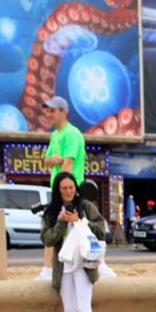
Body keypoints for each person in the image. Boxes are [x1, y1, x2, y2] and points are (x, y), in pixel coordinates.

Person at [40, 171, 106, 312]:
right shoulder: (51, 212)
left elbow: (101, 231)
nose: (68, 192)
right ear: (58, 191)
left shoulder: (85, 207)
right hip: (64, 266)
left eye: (71, 188)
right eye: (64, 189)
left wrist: (79, 221)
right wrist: (61, 222)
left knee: (83, 306)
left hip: (84, 264)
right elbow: (47, 239)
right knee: (69, 308)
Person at [37, 96, 86, 282]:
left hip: (70, 192)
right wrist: (51, 160)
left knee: (72, 228)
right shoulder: (55, 135)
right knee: (60, 228)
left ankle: (49, 269)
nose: (48, 114)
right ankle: (49, 268)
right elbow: (46, 161)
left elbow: (68, 165)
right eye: (47, 111)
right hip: (61, 191)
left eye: (52, 111)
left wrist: (63, 192)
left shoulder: (71, 134)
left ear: (63, 112)